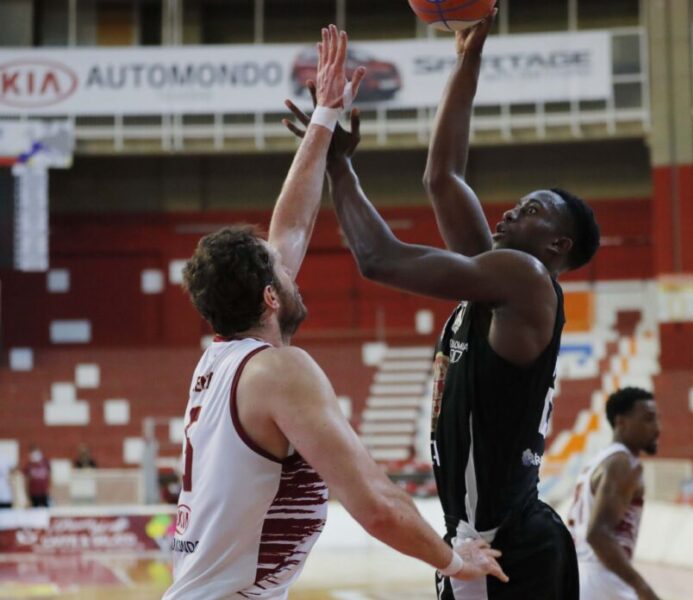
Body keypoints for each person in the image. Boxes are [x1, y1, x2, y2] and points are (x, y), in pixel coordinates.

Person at [164, 26, 506, 600]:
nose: (289, 266)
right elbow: (373, 502)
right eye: (279, 272)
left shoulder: (222, 362)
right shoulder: (280, 370)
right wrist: (454, 559)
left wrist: (323, 118)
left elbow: (290, 228)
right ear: (270, 298)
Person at [286, 10, 600, 597]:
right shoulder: (498, 281)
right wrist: (467, 54)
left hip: (502, 543)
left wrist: (338, 165)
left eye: (531, 212)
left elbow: (378, 258)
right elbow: (442, 177)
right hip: (486, 536)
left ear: (558, 246)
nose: (508, 212)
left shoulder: (526, 278)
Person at [567, 388, 661, 600]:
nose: (657, 428)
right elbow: (598, 534)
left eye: (657, 419)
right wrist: (643, 588)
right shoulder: (623, 463)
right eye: (648, 419)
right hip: (603, 579)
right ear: (621, 422)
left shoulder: (597, 461)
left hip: (580, 576)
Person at [22, 443, 51, 508]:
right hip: (33, 493)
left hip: (44, 492)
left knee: (46, 510)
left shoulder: (45, 463)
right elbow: (26, 481)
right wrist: (27, 496)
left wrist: (50, 489)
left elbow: (50, 476)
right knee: (35, 512)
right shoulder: (29, 465)